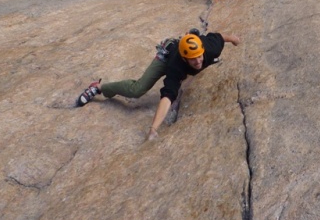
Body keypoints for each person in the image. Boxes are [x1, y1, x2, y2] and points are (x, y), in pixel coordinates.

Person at [75, 30, 242, 140]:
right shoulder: (175, 66)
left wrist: (233, 39)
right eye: (193, 58)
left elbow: (219, 37)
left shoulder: (209, 48)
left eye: (199, 56)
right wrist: (154, 129)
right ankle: (98, 87)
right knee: (137, 89)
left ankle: (190, 35)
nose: (198, 60)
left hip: (190, 47)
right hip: (167, 56)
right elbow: (168, 96)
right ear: (185, 59)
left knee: (203, 63)